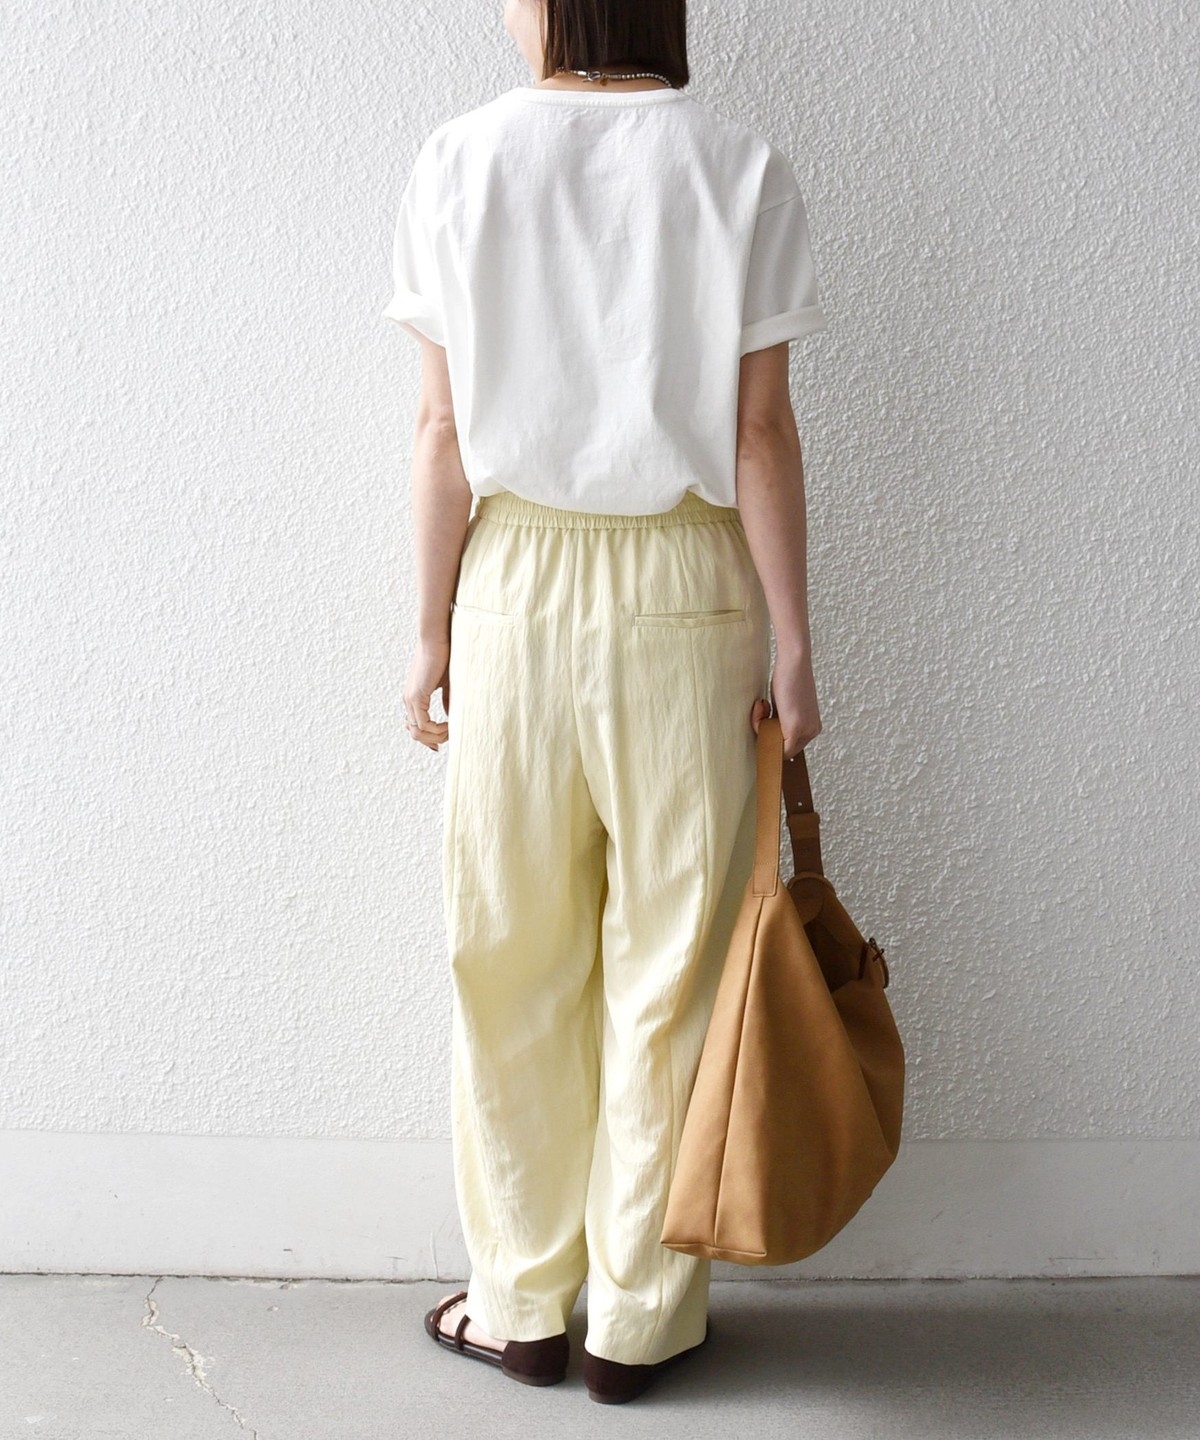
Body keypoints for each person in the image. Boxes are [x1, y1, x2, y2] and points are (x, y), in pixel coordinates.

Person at [384, 0, 826, 1406]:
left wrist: (428, 631)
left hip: (512, 585)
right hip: (689, 586)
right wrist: (796, 643)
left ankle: (520, 1303)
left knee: (507, 957)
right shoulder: (739, 162)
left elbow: (441, 430)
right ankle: (638, 1324)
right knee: (672, 968)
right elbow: (759, 430)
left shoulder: (458, 159)